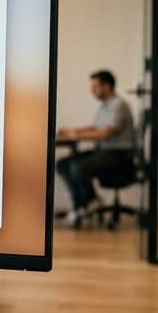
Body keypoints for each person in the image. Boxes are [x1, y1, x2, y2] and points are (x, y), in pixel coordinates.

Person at [55, 70, 137, 226]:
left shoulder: (118, 105)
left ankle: (92, 201)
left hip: (118, 155)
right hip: (103, 152)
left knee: (78, 166)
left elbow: (105, 133)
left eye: (95, 86)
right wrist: (74, 130)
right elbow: (96, 128)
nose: (92, 90)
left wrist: (76, 136)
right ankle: (80, 206)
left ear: (107, 86)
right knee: (63, 164)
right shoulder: (105, 106)